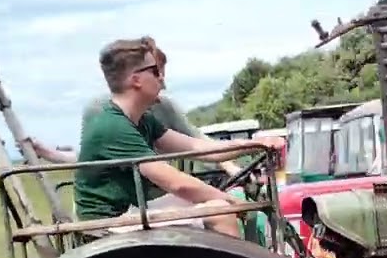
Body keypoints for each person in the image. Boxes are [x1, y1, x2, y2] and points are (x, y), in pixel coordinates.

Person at [71, 37, 285, 236]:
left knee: (216, 201)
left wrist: (255, 144)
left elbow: (197, 147)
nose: (162, 79)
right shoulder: (113, 126)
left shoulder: (140, 119)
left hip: (131, 208)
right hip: (108, 222)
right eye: (155, 71)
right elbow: (177, 184)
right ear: (136, 80)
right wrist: (226, 199)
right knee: (219, 210)